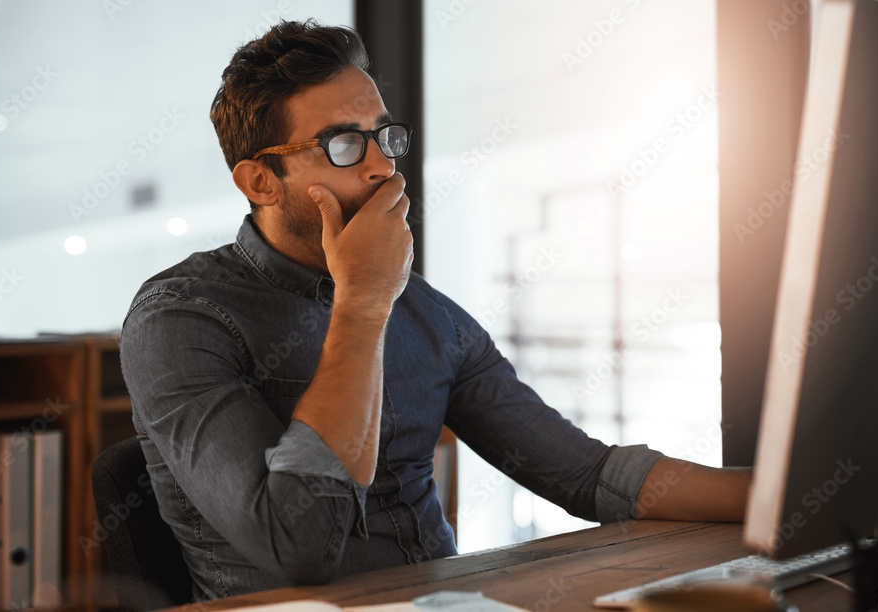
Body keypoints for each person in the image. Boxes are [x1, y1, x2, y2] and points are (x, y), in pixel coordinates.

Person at [119, 19, 750, 602]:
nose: (382, 167)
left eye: (383, 137)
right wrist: (361, 303)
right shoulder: (179, 320)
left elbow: (586, 475)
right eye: (344, 144)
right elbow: (300, 544)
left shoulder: (420, 308)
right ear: (260, 182)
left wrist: (780, 495)